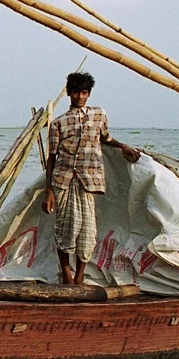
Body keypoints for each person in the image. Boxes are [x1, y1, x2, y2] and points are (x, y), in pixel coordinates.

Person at [41, 72, 140, 285]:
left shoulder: (98, 114)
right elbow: (51, 158)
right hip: (64, 181)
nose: (79, 97)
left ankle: (80, 276)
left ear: (89, 94)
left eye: (84, 92)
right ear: (69, 93)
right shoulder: (59, 123)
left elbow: (106, 138)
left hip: (89, 181)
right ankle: (67, 275)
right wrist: (48, 190)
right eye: (76, 92)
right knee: (66, 228)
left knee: (87, 231)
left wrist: (123, 146)